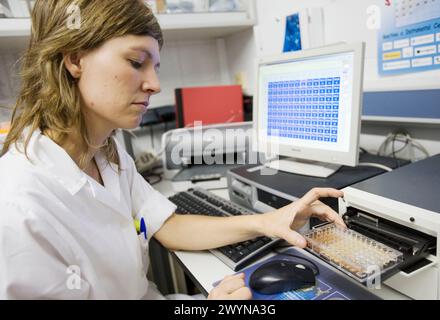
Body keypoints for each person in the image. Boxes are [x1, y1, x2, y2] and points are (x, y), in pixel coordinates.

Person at [0, 0, 346, 300]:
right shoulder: (19, 205)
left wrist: (269, 221)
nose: (154, 84)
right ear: (75, 59)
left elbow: (166, 225)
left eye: (156, 66)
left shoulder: (107, 153)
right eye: (136, 62)